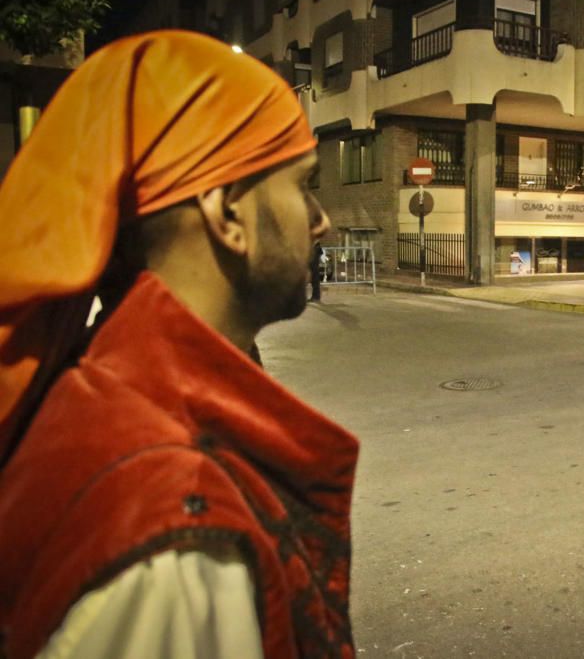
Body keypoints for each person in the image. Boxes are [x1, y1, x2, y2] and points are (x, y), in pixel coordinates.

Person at [0, 32, 359, 658]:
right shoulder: (178, 538)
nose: (321, 218)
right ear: (226, 214)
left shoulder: (101, 385)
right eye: (303, 184)